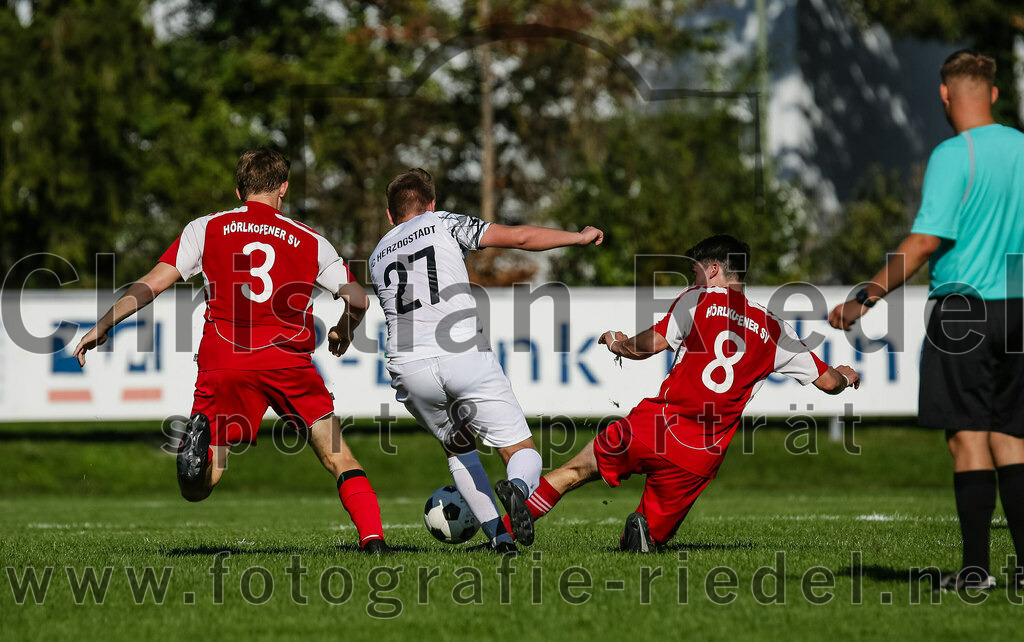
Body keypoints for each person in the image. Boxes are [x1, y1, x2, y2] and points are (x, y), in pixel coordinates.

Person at [73, 147, 389, 553]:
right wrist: (343, 331)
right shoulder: (312, 241)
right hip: (286, 362)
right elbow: (358, 299)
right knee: (337, 455)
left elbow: (152, 284)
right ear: (284, 188)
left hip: (225, 359)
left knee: (199, 488)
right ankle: (373, 539)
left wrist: (103, 325)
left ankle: (195, 464)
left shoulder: (206, 228)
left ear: (239, 190)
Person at [506, 234, 860, 551]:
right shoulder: (774, 327)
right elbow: (829, 383)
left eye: (695, 270)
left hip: (656, 427)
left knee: (574, 471)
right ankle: (643, 535)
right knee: (650, 538)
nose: (692, 278)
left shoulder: (699, 299)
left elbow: (647, 346)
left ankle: (504, 532)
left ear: (714, 269)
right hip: (700, 455)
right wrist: (845, 377)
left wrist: (616, 343)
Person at [829, 50, 1024, 591]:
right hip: (1019, 308)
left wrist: (865, 298)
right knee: (1012, 437)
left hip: (965, 311)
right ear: (994, 93)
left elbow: (923, 242)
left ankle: (976, 571)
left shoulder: (953, 154)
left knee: (969, 438)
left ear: (944, 94)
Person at [370, 168, 603, 552]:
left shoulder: (377, 255)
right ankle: (518, 488)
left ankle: (500, 539)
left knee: (458, 449)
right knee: (521, 452)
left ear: (389, 215)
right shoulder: (442, 222)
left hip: (408, 365)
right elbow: (519, 237)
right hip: (460, 351)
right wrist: (577, 237)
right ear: (431, 204)